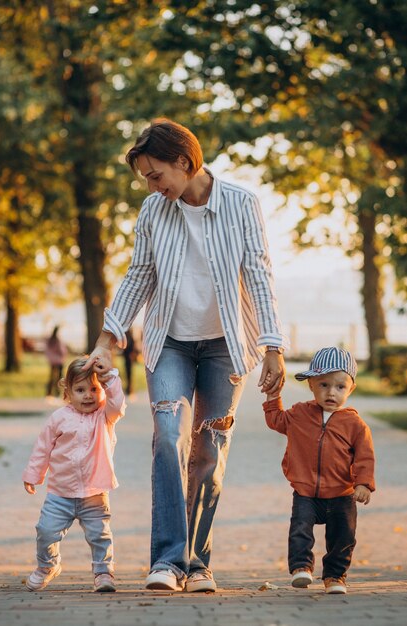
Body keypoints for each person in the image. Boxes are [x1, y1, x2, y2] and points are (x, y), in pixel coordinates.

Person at [83, 118, 288, 593]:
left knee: (209, 453)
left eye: (156, 175)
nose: (152, 186)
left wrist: (273, 347)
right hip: (169, 342)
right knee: (168, 436)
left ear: (184, 160)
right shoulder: (154, 211)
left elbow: (259, 276)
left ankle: (198, 565)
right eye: (145, 180)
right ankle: (167, 561)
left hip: (226, 345)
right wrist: (106, 340)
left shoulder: (241, 203)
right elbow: (139, 276)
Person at [264, 347, 375, 594]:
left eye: (339, 387)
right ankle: (301, 567)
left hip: (342, 494)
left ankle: (335, 577)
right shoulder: (300, 413)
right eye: (323, 385)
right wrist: (273, 398)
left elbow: (365, 457)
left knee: (343, 537)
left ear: (351, 389)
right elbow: (276, 421)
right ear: (311, 385)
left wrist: (363, 483)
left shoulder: (355, 424)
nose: (331, 393)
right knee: (300, 528)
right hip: (306, 492)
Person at [22, 357, 126, 593]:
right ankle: (48, 566)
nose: (88, 395)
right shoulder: (58, 418)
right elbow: (43, 448)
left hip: (94, 492)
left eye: (94, 389)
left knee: (100, 535)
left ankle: (103, 572)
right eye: (80, 390)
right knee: (46, 531)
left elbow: (118, 404)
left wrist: (109, 377)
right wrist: (33, 474)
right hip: (60, 493)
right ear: (67, 391)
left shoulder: (105, 416)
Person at [45, 326, 67, 397]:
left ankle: (49, 392)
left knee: (51, 377)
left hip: (52, 361)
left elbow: (47, 350)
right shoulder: (57, 340)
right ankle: (58, 393)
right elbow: (62, 350)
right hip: (59, 361)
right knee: (60, 377)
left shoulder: (50, 340)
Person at [122, 328, 139, 397]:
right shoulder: (126, 339)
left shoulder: (129, 340)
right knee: (127, 374)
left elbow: (133, 349)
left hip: (129, 359)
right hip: (127, 359)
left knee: (129, 374)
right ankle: (128, 388)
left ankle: (130, 388)